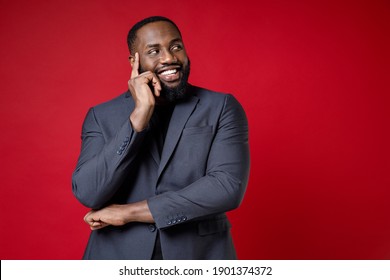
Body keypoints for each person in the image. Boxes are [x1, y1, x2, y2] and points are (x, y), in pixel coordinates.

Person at [72, 16, 250, 260]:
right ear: (134, 61)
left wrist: (130, 212)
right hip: (116, 257)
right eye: (154, 51)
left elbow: (226, 188)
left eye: (176, 46)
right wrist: (138, 118)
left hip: (199, 256)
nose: (169, 58)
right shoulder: (100, 116)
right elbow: (89, 193)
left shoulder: (221, 107)